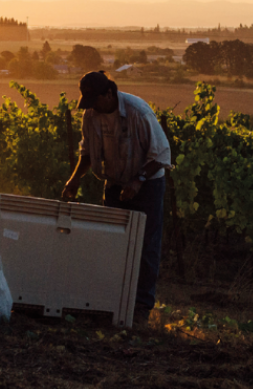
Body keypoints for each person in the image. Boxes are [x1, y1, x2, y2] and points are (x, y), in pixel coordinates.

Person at [62, 71, 171, 325]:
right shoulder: (91, 116)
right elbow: (87, 152)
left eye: (95, 101)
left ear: (109, 94)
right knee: (110, 241)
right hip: (115, 182)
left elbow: (162, 155)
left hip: (148, 184)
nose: (92, 109)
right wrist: (75, 178)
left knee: (146, 245)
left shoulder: (138, 112)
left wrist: (138, 181)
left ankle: (141, 307)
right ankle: (109, 300)